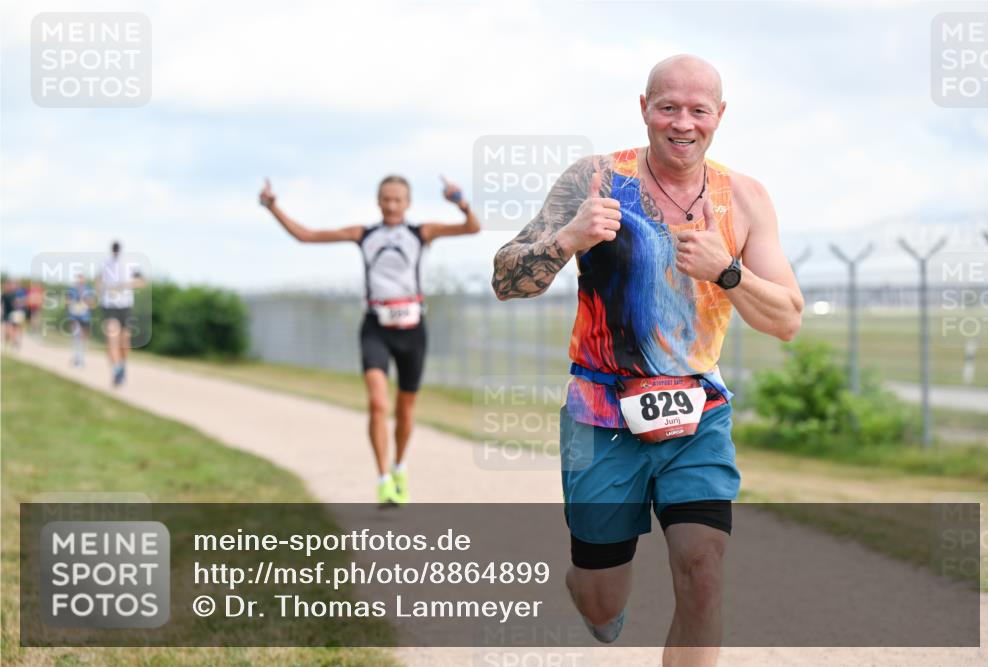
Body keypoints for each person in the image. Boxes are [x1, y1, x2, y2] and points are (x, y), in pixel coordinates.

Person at [492, 55, 802, 666]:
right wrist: (568, 240)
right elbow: (506, 278)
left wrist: (727, 271)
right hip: (602, 413)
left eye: (698, 110)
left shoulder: (745, 197)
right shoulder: (596, 178)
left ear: (719, 115)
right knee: (603, 605)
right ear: (644, 108)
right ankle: (590, 588)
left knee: (703, 570)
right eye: (668, 107)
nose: (682, 122)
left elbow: (787, 319)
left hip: (698, 414)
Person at [259, 174, 480, 505]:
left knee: (405, 410)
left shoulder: (422, 233)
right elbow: (306, 236)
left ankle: (400, 466)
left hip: (413, 329)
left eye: (398, 200)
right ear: (378, 202)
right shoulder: (365, 235)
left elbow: (472, 227)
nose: (391, 205)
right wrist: (273, 208)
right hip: (375, 326)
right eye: (386, 199)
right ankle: (382, 479)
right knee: (377, 403)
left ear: (408, 204)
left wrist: (460, 201)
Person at [96, 241, 146, 386]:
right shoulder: (104, 264)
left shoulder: (130, 264)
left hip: (125, 306)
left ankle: (122, 365)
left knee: (124, 342)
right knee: (112, 337)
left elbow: (142, 282)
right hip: (109, 305)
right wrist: (104, 288)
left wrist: (124, 285)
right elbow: (98, 282)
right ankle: (116, 370)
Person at [65, 274, 96, 367]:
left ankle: (81, 358)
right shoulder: (71, 290)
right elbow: (67, 301)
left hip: (85, 316)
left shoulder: (89, 290)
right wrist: (72, 303)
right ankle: (76, 357)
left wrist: (86, 301)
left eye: (81, 279)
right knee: (75, 336)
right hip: (74, 315)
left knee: (83, 338)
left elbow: (92, 303)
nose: (80, 281)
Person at [2, 280, 26, 350]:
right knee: (10, 328)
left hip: (15, 313)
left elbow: (19, 303)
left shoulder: (16, 293)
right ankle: (12, 341)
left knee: (15, 327)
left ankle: (14, 341)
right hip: (9, 313)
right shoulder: (5, 294)